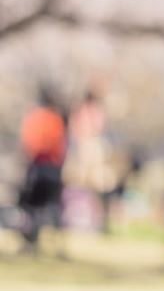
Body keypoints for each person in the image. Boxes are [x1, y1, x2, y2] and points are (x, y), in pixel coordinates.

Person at [18, 86, 67, 246]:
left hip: (37, 166)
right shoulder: (55, 118)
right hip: (51, 167)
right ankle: (55, 243)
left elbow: (28, 144)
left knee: (32, 206)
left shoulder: (33, 117)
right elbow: (59, 146)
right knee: (51, 206)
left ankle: (31, 241)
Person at [65, 87, 119, 232]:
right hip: (84, 149)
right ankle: (81, 220)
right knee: (81, 186)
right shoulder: (84, 111)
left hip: (90, 149)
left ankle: (97, 221)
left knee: (97, 186)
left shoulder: (90, 111)